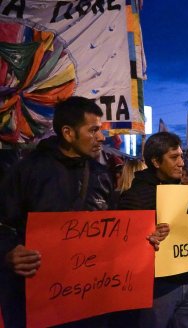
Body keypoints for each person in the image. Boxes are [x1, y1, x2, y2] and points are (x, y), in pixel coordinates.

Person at [0, 96, 114, 327]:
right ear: (68, 133)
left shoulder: (102, 174)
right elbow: (4, 223)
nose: (101, 138)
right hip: (38, 299)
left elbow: (115, 226)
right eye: (93, 130)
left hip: (91, 298)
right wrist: (9, 252)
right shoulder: (27, 170)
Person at [118, 131, 188, 328]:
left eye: (181, 156)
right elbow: (125, 244)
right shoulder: (135, 197)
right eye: (174, 157)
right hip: (157, 287)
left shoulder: (184, 191)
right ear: (156, 162)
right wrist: (147, 236)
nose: (182, 163)